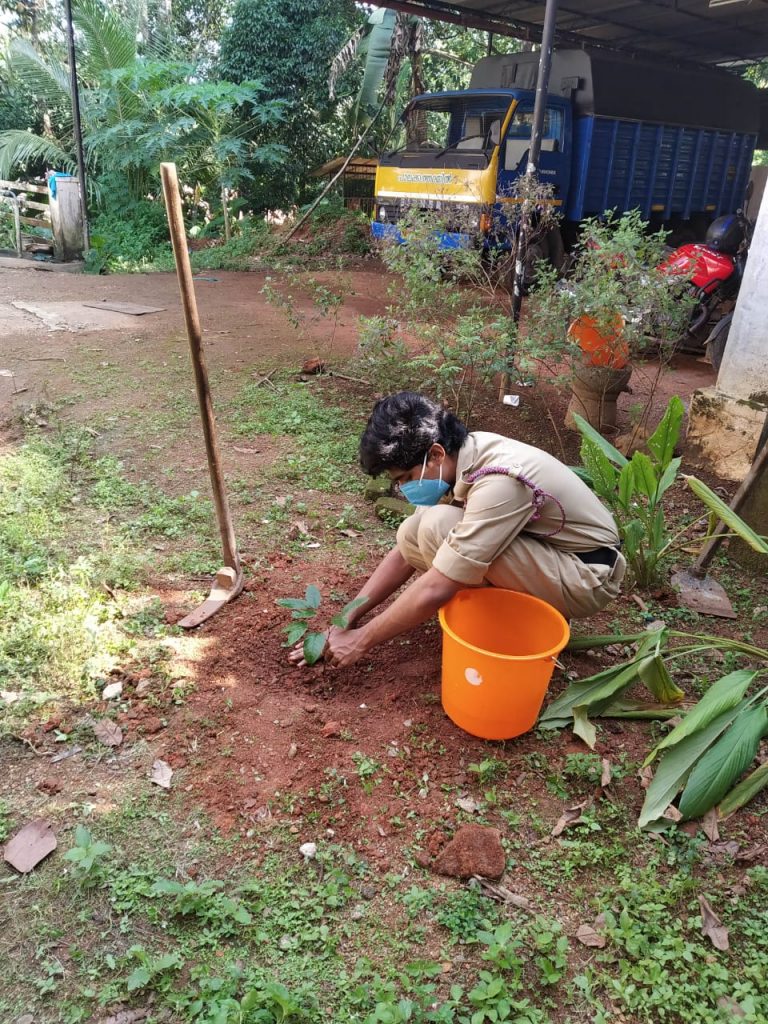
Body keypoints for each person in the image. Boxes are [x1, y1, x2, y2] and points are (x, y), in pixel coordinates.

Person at [295, 391, 625, 669]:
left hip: (585, 576)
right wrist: (346, 619)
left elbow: (437, 586)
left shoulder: (500, 481)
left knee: (437, 527)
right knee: (414, 530)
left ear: (435, 454)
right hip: (550, 555)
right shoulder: (459, 458)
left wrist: (361, 641)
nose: (404, 489)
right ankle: (511, 612)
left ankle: (523, 624)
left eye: (406, 478)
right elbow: (404, 552)